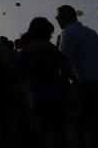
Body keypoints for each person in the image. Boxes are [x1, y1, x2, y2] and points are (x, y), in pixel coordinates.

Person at [54, 5, 98, 147]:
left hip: (87, 85)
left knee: (93, 130)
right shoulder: (91, 32)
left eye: (58, 16)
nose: (57, 19)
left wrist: (68, 87)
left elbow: (65, 63)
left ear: (65, 16)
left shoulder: (67, 33)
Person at [15, 17, 70, 147]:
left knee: (44, 135)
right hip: (57, 96)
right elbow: (66, 67)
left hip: (36, 97)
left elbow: (17, 73)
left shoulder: (26, 51)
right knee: (60, 136)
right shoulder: (50, 48)